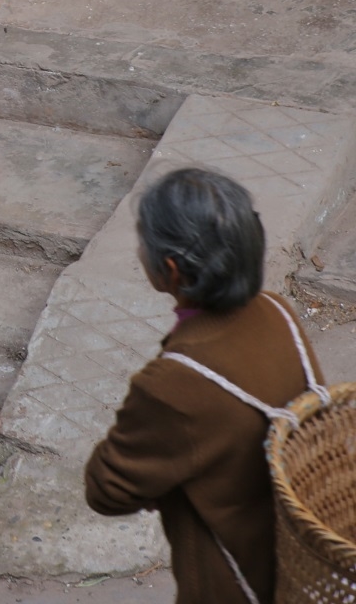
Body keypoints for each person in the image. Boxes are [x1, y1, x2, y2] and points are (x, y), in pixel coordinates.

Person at [86, 168, 326, 604]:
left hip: (233, 582)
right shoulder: (278, 314)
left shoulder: (172, 385)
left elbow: (107, 490)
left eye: (143, 242)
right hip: (299, 562)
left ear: (172, 270)